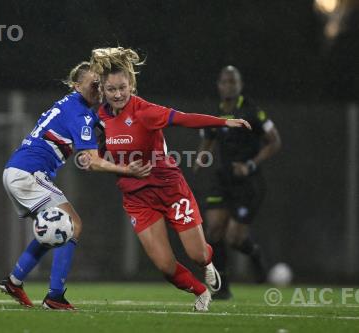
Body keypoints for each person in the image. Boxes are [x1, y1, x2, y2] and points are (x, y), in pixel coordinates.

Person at [85, 47, 251, 311]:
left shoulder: (144, 111)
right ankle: (200, 292)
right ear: (103, 90)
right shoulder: (99, 119)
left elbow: (184, 119)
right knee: (164, 265)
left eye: (122, 88)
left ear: (132, 86)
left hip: (169, 188)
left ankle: (208, 264)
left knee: (197, 254)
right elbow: (95, 155)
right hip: (137, 197)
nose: (117, 94)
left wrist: (224, 122)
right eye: (112, 89)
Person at [0, 61, 152, 310]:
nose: (98, 89)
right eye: (93, 84)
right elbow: (91, 162)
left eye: (99, 85)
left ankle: (14, 281)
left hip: (20, 171)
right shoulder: (78, 113)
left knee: (56, 230)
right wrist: (126, 169)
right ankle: (54, 297)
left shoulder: (72, 106)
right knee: (72, 225)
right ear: (76, 85)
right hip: (28, 173)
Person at [194, 66, 282, 300]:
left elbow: (274, 142)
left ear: (240, 85)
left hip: (248, 182)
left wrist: (251, 165)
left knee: (235, 238)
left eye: (233, 82)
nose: (229, 85)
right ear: (219, 85)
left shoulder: (252, 111)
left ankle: (254, 254)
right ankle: (222, 287)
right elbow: (208, 138)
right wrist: (201, 156)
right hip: (223, 179)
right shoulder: (216, 113)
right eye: (225, 81)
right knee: (213, 230)